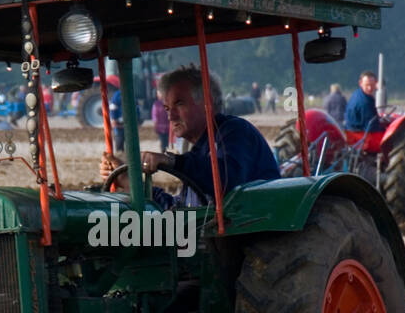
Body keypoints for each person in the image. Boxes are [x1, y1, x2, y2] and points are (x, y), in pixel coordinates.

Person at [99, 64, 280, 209]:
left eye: (179, 104)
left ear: (206, 103)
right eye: (168, 108)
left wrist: (172, 161)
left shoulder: (234, 131)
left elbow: (227, 180)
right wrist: (130, 183)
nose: (171, 116)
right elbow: (181, 210)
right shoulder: (199, 152)